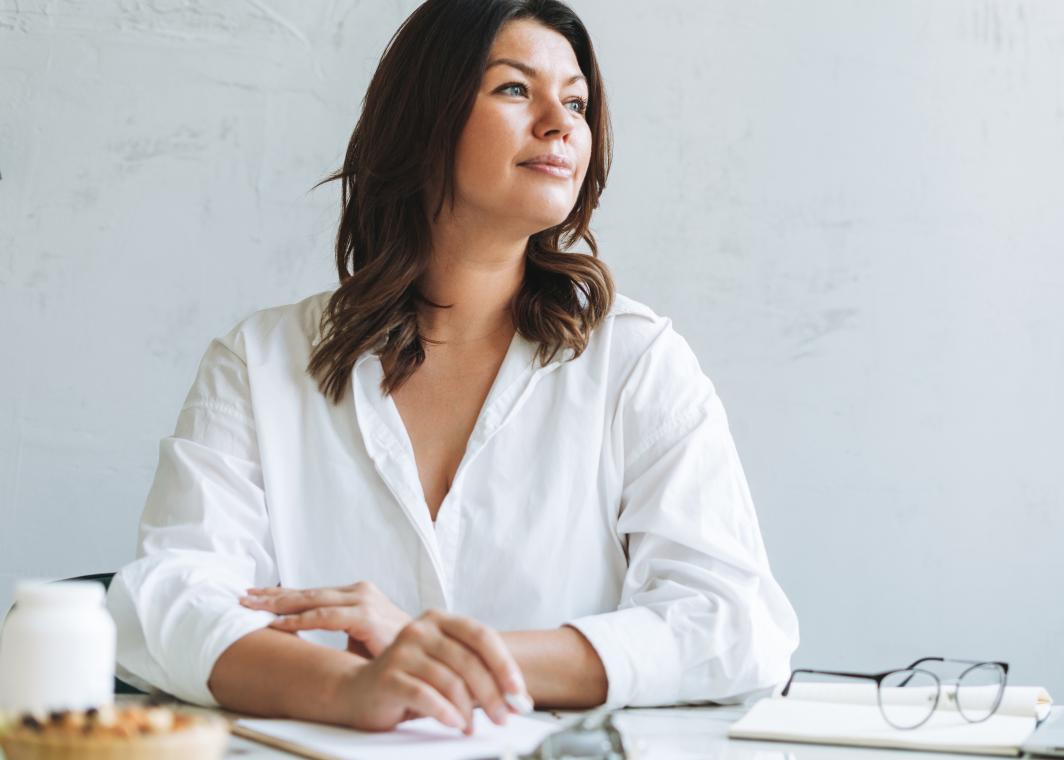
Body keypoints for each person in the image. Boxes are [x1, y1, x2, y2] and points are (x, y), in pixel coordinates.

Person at [106, 0, 799, 734]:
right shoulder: (260, 362)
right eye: (513, 88)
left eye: (575, 101)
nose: (560, 123)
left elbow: (735, 624)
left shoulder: (638, 362)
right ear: (424, 117)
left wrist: (432, 655)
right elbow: (167, 602)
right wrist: (347, 689)